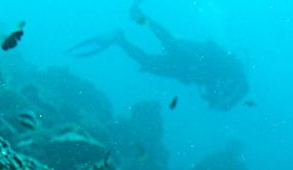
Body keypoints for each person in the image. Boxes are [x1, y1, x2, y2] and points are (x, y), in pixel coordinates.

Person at [69, 3, 248, 111]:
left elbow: (216, 89)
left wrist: (216, 101)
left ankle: (119, 39)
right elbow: (239, 90)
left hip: (184, 70)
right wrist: (221, 103)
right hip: (189, 60)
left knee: (148, 62)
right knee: (165, 40)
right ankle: (138, 17)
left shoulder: (224, 75)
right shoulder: (230, 69)